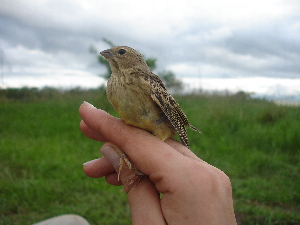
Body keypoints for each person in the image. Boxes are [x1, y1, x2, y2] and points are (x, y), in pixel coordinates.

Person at [79, 101, 237, 225]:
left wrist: (134, 181)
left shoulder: (147, 82)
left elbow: (173, 114)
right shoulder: (114, 87)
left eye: (121, 56)